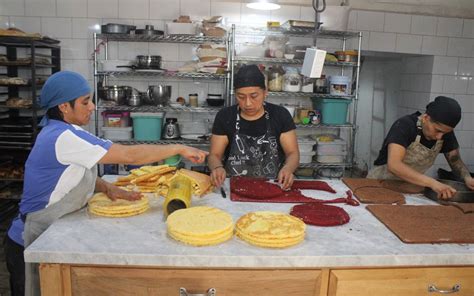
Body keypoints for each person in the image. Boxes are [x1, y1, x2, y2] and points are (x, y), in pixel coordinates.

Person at [4, 71, 208, 296]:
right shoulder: (62, 137)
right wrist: (178, 148)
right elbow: (129, 156)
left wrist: (107, 187)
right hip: (31, 239)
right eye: (85, 102)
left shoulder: (62, 132)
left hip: (50, 232)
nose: (92, 107)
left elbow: (74, 170)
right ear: (63, 107)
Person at [208, 64, 299, 190]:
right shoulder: (225, 116)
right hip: (234, 187)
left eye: (254, 96)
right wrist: (217, 168)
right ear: (235, 94)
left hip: (274, 186)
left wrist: (288, 169)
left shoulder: (280, 114)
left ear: (265, 92)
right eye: (241, 97)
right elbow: (214, 155)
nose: (248, 103)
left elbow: (292, 153)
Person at [367, 96, 474, 199]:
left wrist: (466, 177)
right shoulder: (405, 125)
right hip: (380, 183)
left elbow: (454, 159)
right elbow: (394, 165)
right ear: (426, 118)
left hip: (411, 187)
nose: (439, 137)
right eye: (438, 130)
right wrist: (433, 183)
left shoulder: (445, 132)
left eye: (445, 133)